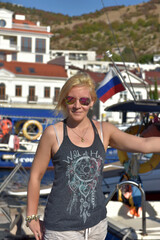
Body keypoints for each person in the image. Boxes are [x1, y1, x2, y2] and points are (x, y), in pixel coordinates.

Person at [26, 72, 160, 240]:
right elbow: (35, 176)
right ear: (63, 101)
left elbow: (144, 145)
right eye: (70, 100)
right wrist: (31, 216)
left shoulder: (105, 131)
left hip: (97, 225)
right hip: (61, 229)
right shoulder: (53, 134)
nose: (77, 105)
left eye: (84, 100)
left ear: (92, 102)